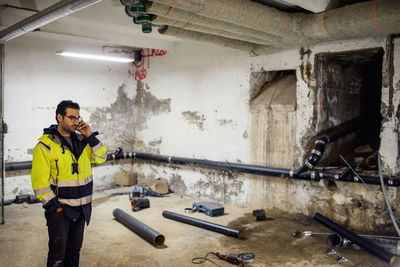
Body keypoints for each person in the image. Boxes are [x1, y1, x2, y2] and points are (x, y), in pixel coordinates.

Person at [31, 100, 107, 267]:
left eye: (78, 117)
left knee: (74, 252)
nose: (76, 122)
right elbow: (39, 183)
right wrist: (55, 207)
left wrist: (89, 136)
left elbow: (101, 157)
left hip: (82, 208)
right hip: (61, 211)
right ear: (60, 117)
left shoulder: (82, 141)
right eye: (71, 117)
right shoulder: (45, 146)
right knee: (58, 255)